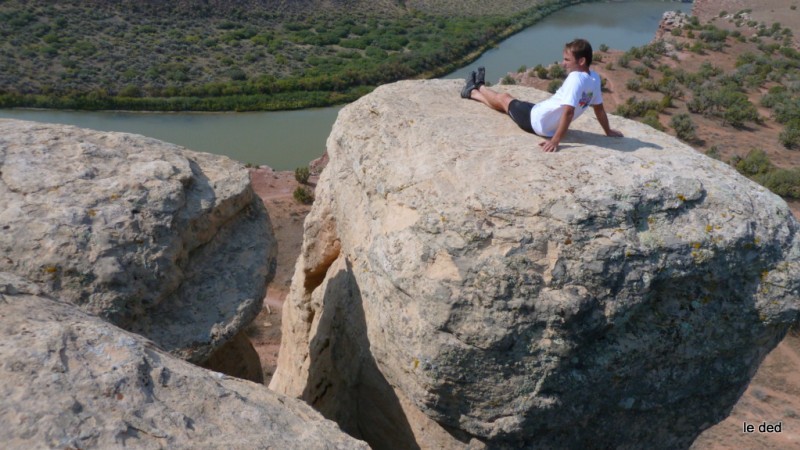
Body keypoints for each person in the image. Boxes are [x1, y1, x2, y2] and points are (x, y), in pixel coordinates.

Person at [461, 38, 623, 152]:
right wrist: (607, 131)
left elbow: (569, 111)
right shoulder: (594, 78)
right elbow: (599, 109)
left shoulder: (575, 78)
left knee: (504, 98)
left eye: (567, 60)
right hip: (541, 115)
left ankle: (478, 87)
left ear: (581, 61)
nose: (563, 63)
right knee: (507, 106)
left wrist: (555, 141)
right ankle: (474, 92)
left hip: (536, 122)